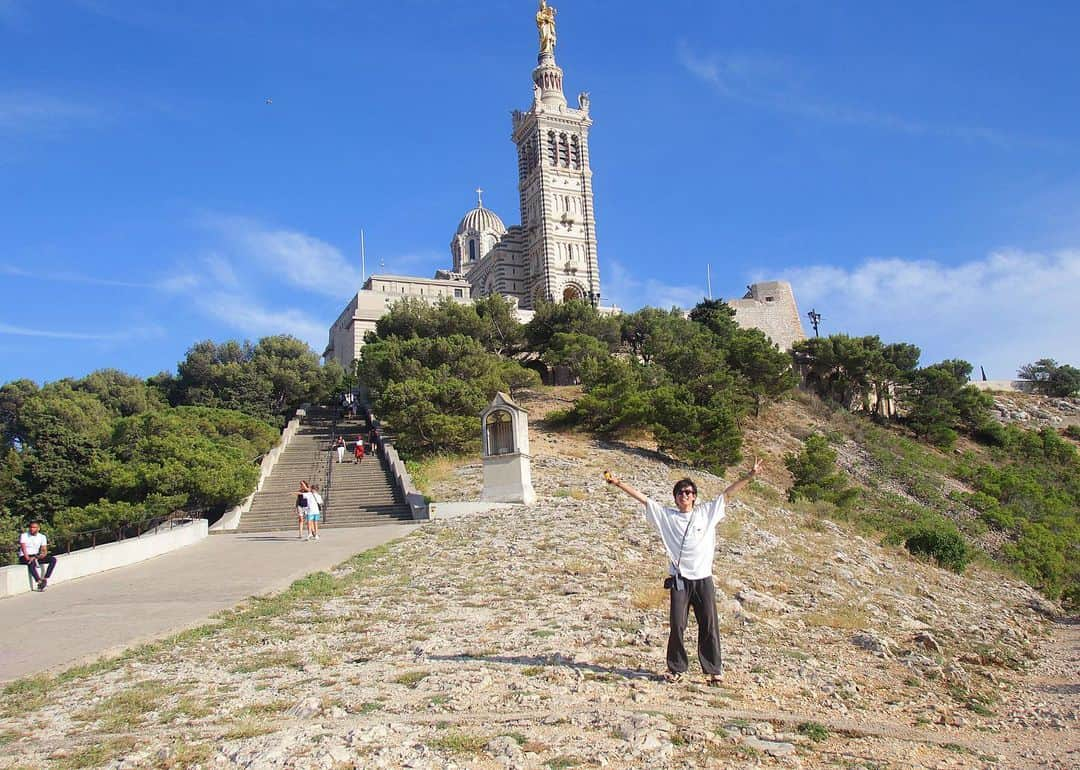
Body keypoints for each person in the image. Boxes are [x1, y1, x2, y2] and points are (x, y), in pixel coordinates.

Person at [604, 458, 763, 684]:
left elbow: (727, 494)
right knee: (677, 625)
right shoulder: (667, 517)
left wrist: (750, 476)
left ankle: (713, 670)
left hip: (703, 580)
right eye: (680, 492)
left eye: (688, 492)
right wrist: (619, 483)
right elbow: (643, 499)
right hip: (680, 581)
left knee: (708, 624)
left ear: (694, 496)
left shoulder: (706, 513)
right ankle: (676, 668)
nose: (684, 495)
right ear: (675, 497)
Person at [19, 520, 57, 591]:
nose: (32, 529)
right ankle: (39, 582)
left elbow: (44, 551)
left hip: (35, 555)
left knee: (53, 560)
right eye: (31, 527)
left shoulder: (42, 537)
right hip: (24, 556)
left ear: (38, 528)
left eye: (34, 527)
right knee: (31, 563)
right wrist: (28, 558)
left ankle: (45, 578)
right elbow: (23, 549)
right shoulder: (24, 535)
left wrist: (37, 557)